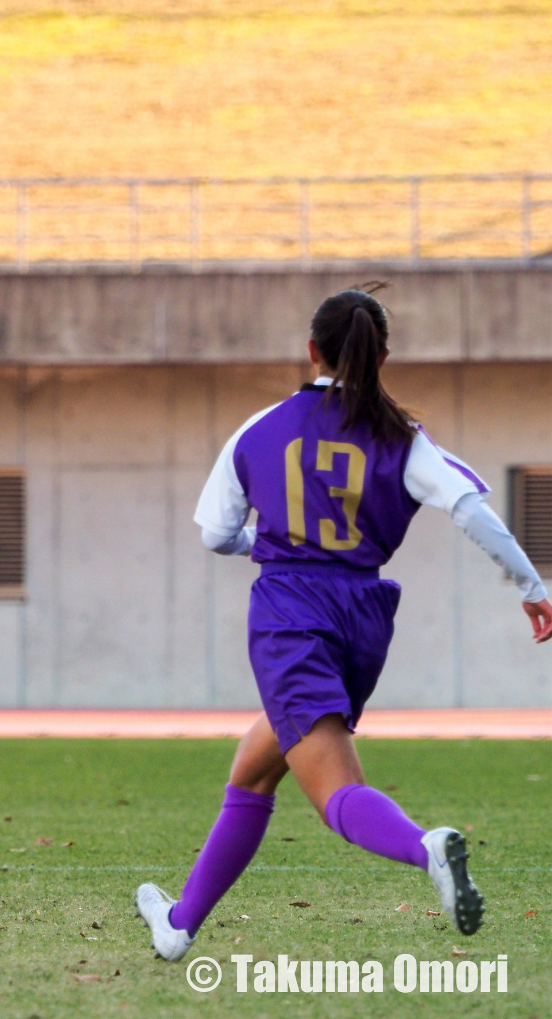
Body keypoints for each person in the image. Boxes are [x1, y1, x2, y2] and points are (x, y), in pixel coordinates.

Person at [135, 288, 552, 961]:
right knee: (252, 773)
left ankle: (426, 847)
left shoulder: (261, 428)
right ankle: (179, 923)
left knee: (336, 796)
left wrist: (267, 544)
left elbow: (215, 533)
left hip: (291, 616)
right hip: (362, 615)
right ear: (382, 355)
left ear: (311, 350)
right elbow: (471, 507)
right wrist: (532, 585)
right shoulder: (402, 437)